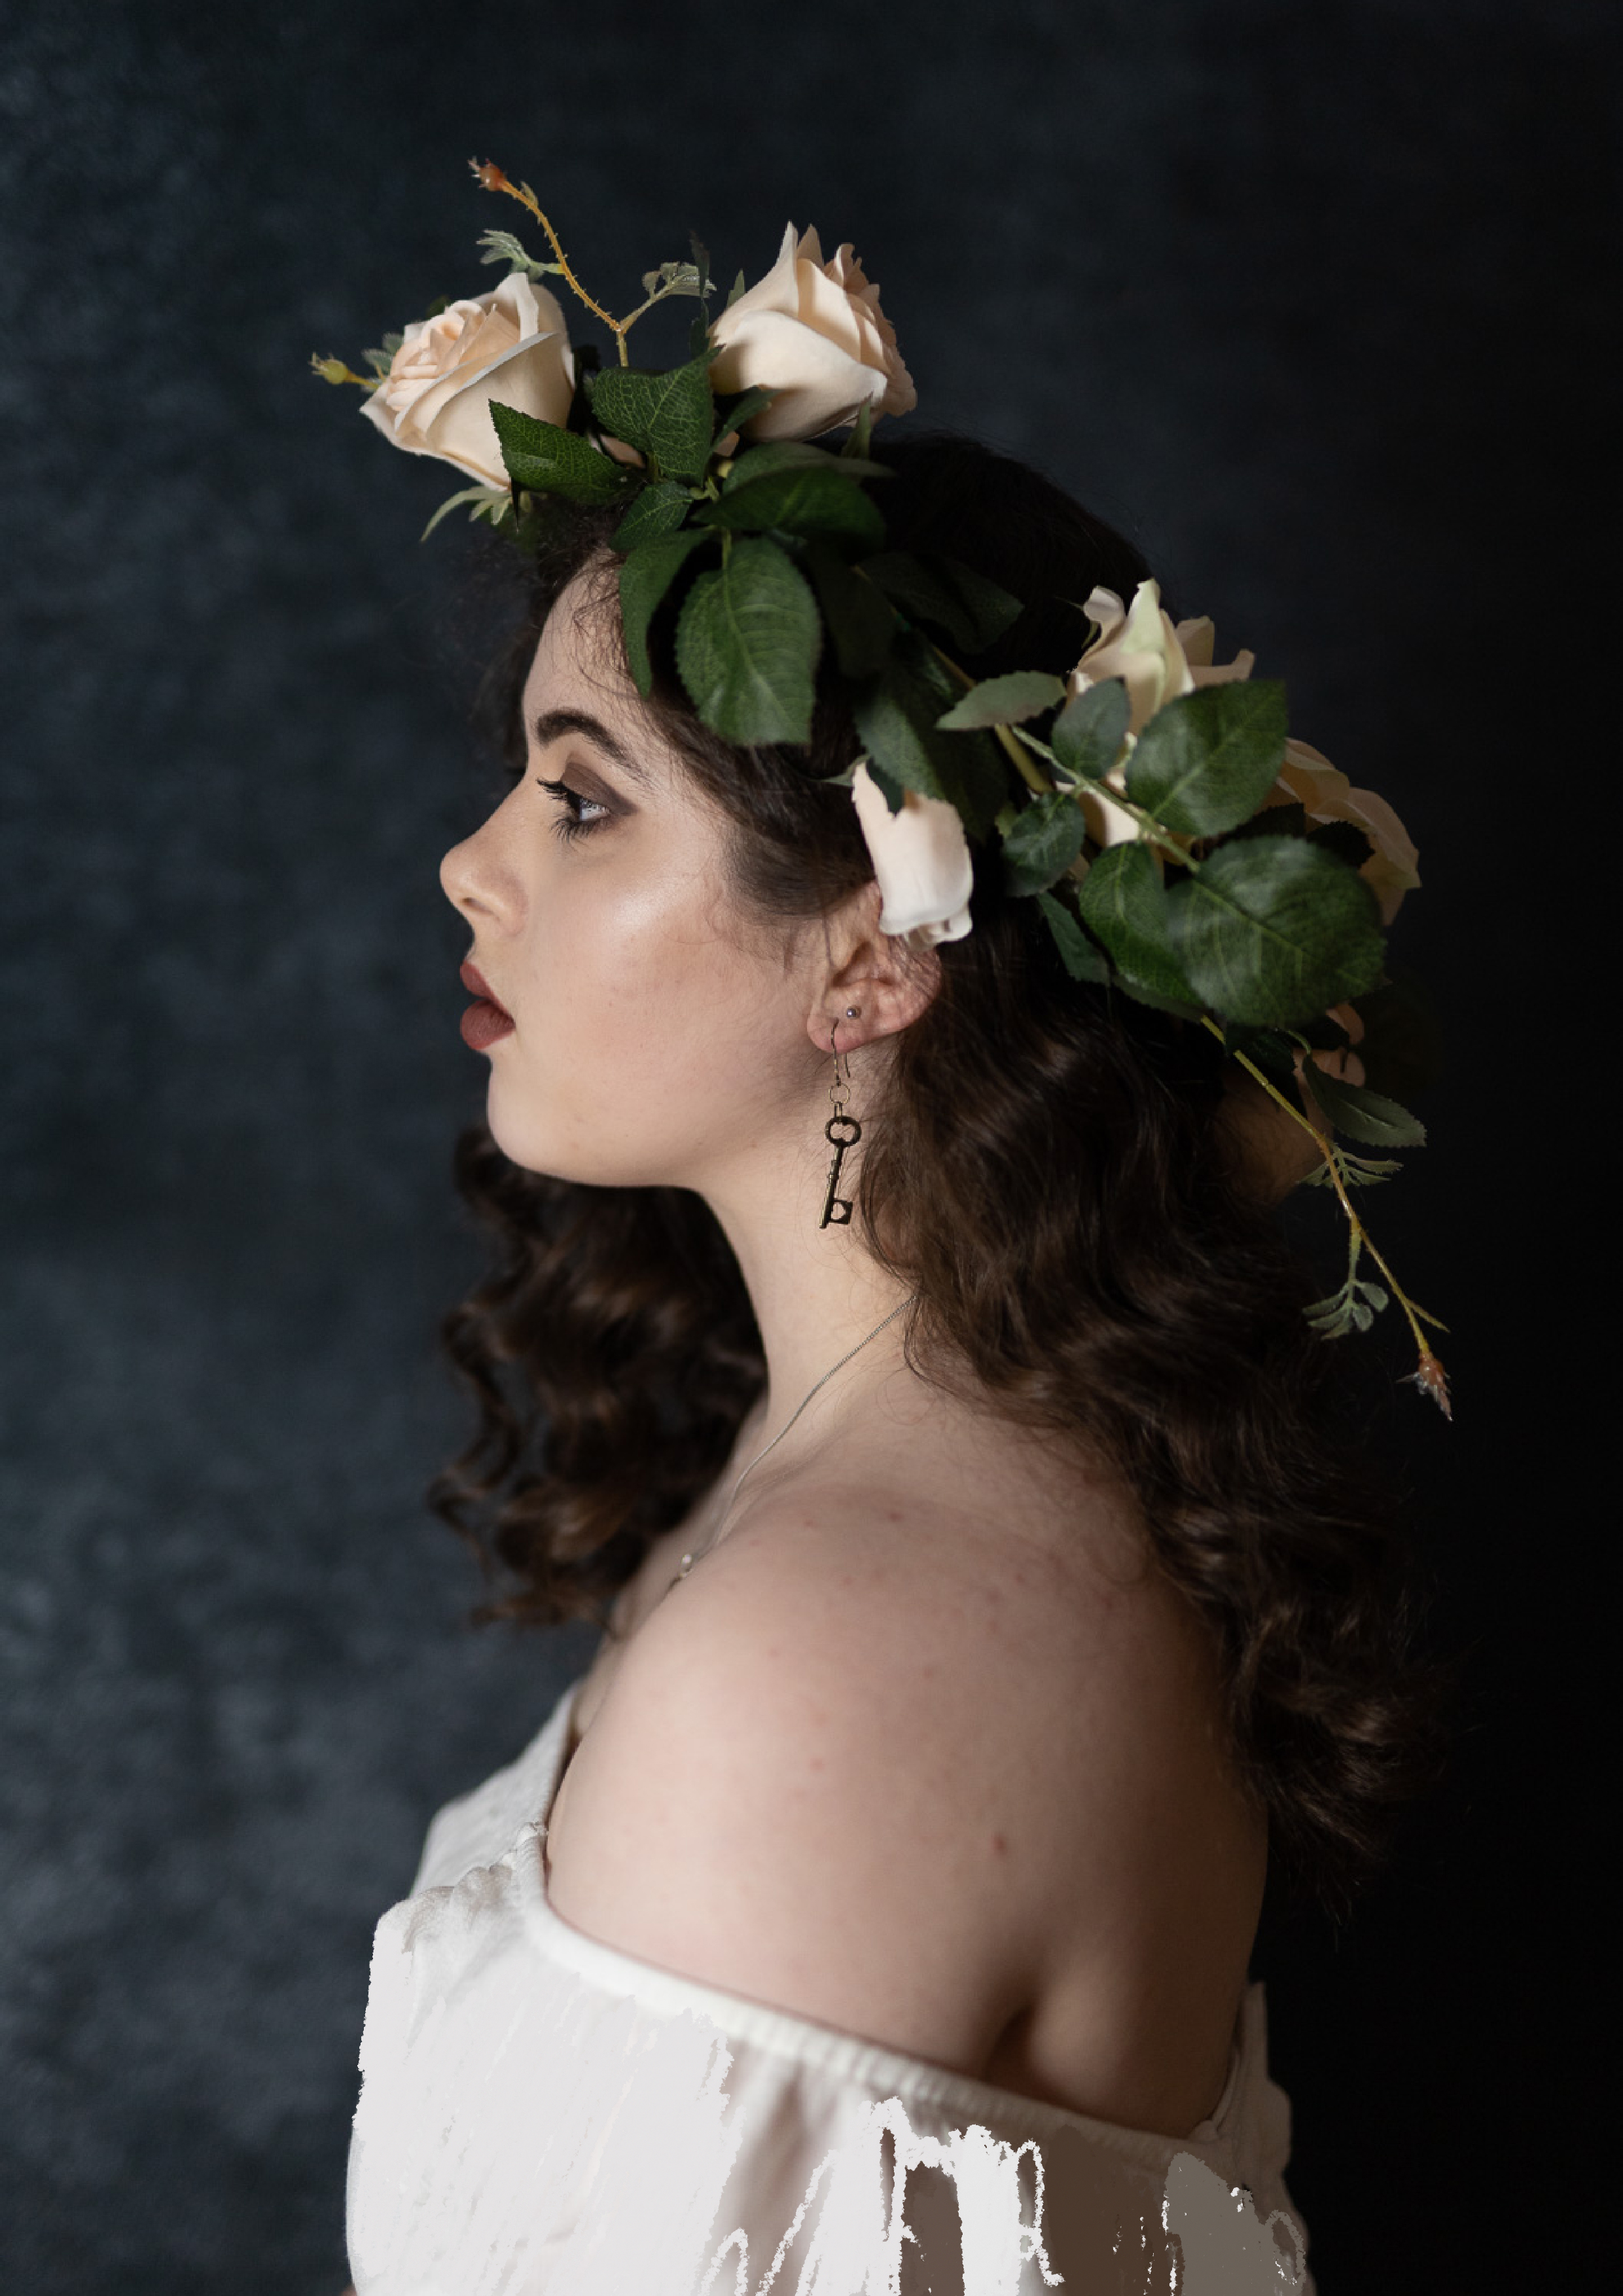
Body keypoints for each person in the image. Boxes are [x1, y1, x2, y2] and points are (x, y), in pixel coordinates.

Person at [335, 429, 1436, 2295]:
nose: (472, 864)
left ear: (871, 944)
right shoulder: (891, 1464)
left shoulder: (834, 1654)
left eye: (583, 801)